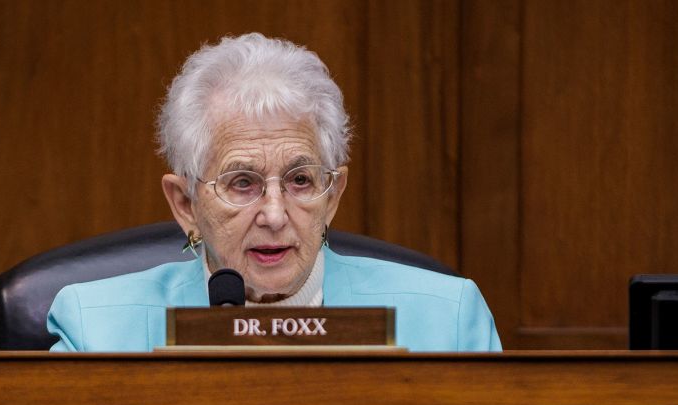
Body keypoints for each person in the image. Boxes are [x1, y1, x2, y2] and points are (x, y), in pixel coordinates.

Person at [47, 33, 501, 352]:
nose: (275, 214)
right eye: (241, 182)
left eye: (300, 180)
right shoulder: (96, 328)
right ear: (185, 205)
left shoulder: (448, 322)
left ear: (333, 195)